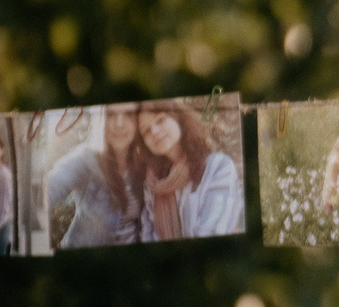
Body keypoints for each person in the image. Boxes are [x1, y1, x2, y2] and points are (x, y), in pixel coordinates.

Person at [136, 105, 244, 241]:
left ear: (179, 119)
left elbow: (214, 233)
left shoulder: (217, 167)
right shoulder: (153, 184)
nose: (155, 131)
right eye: (146, 131)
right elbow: (149, 235)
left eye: (160, 120)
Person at [46, 105, 144, 249]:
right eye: (111, 115)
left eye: (128, 114)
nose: (119, 123)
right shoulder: (85, 159)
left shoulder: (144, 162)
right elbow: (47, 191)